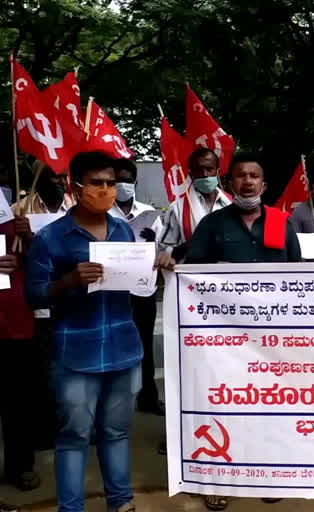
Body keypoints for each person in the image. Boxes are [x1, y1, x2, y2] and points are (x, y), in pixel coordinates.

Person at [25, 151, 175, 512]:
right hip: (76, 352)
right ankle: (71, 508)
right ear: (76, 187)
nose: (107, 189)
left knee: (116, 433)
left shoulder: (123, 229)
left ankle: (120, 502)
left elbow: (137, 283)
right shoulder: (51, 238)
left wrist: (156, 267)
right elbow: (34, 295)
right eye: (97, 183)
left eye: (110, 183)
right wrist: (69, 281)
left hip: (123, 349)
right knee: (74, 436)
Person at [186, 153, 298, 510]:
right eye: (240, 176)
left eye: (254, 176)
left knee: (271, 407)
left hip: (272, 339)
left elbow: (300, 279)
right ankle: (219, 479)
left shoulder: (282, 223)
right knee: (224, 405)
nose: (247, 182)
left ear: (264, 185)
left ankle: (269, 473)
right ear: (228, 183)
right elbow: (192, 277)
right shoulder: (213, 225)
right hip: (224, 338)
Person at [109, 158, 165, 415]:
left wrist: (156, 248)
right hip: (112, 290)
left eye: (127, 181)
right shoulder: (103, 212)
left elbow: (163, 248)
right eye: (118, 180)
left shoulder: (149, 213)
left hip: (143, 288)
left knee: (143, 343)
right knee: (113, 343)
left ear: (135, 182)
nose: (123, 185)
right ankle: (113, 403)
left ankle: (148, 398)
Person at [0, 212, 40, 492]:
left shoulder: (16, 221)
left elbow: (48, 265)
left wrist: (26, 246)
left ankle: (21, 466)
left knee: (19, 401)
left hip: (15, 321)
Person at [158, 147, 231, 261]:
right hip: (192, 275)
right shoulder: (177, 208)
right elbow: (164, 248)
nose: (205, 174)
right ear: (191, 174)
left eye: (209, 169)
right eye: (199, 170)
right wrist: (187, 247)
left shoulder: (232, 204)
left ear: (217, 172)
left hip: (226, 275)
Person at [11, 160, 75, 216]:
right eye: (56, 176)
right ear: (40, 179)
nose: (63, 182)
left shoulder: (76, 207)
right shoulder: (19, 210)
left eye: (64, 177)